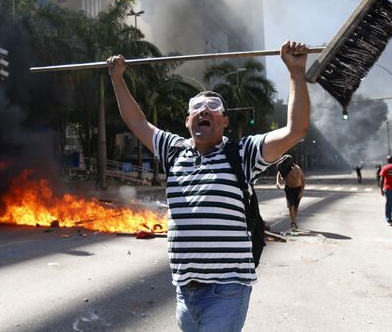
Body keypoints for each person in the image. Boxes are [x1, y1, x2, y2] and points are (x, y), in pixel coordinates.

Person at [107, 41, 310, 332]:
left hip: (226, 290)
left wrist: (295, 73)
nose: (205, 109)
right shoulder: (172, 149)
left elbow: (296, 129)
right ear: (188, 120)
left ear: (224, 121)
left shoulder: (242, 152)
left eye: (213, 107)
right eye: (197, 107)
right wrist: (117, 79)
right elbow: (137, 121)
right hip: (184, 291)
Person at [275, 155, 305, 230]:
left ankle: (294, 221)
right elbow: (279, 173)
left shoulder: (297, 169)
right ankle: (293, 223)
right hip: (288, 189)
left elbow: (303, 180)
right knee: (290, 206)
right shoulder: (285, 169)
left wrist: (301, 192)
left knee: (295, 207)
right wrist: (277, 182)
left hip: (297, 189)